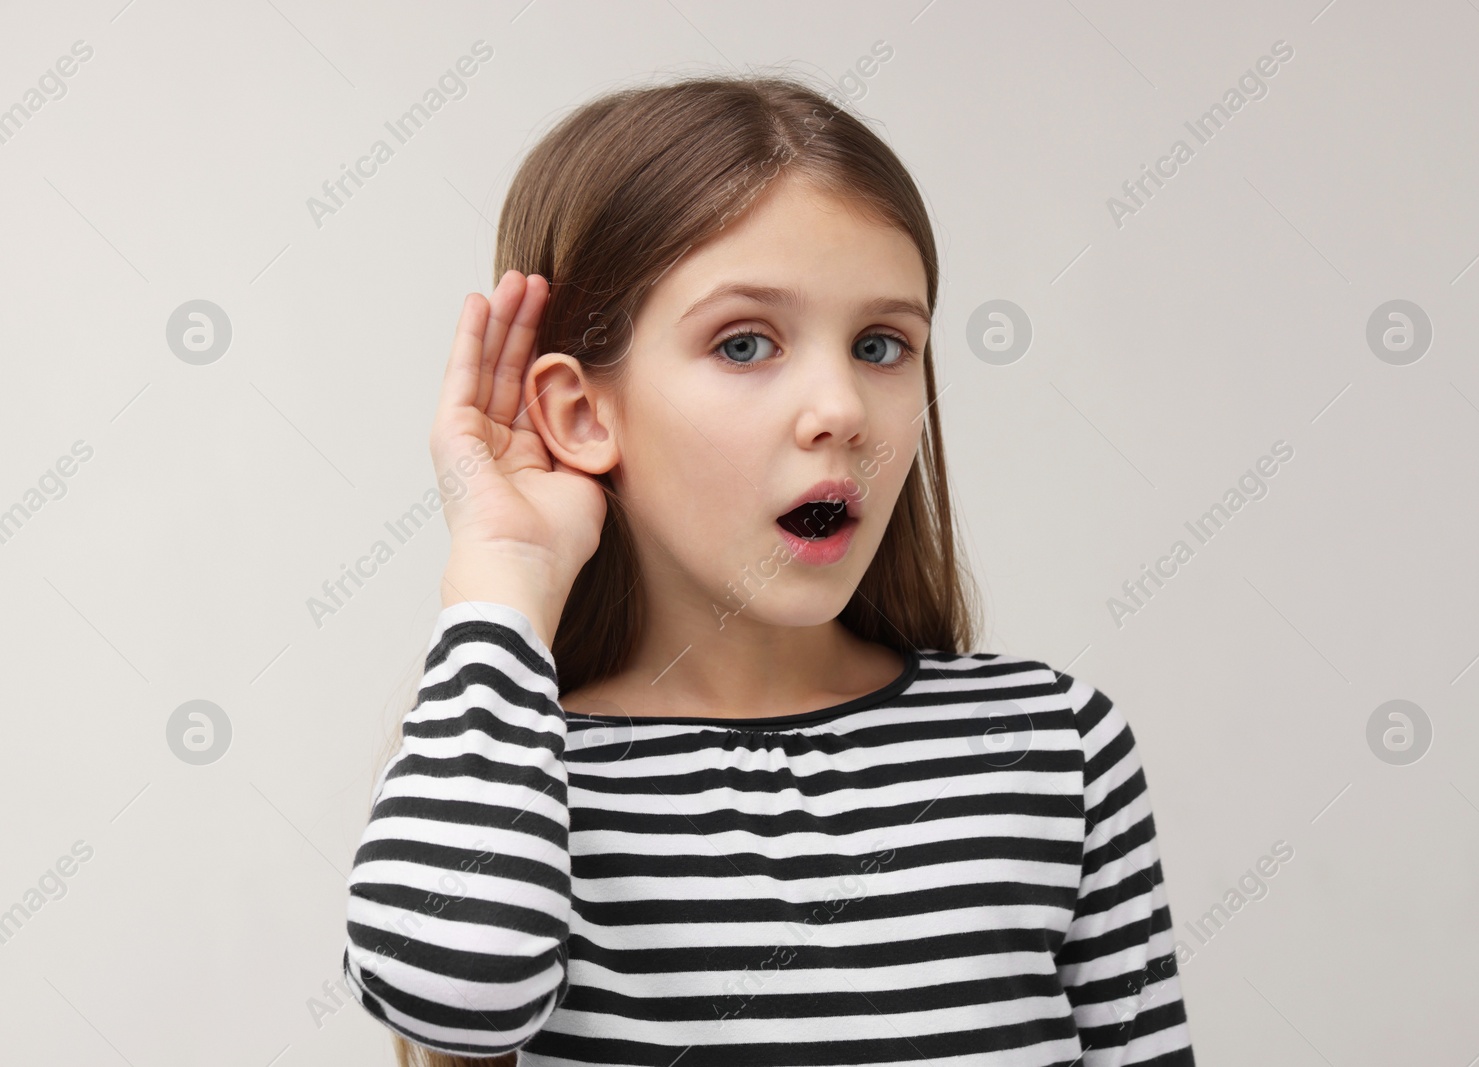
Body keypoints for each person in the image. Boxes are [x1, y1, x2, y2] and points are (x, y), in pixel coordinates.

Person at [341, 72, 1197, 1067]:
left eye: (881, 344)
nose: (840, 406)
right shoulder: (514, 772)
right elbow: (451, 994)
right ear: (582, 413)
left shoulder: (1056, 747)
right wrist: (505, 574)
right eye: (745, 343)